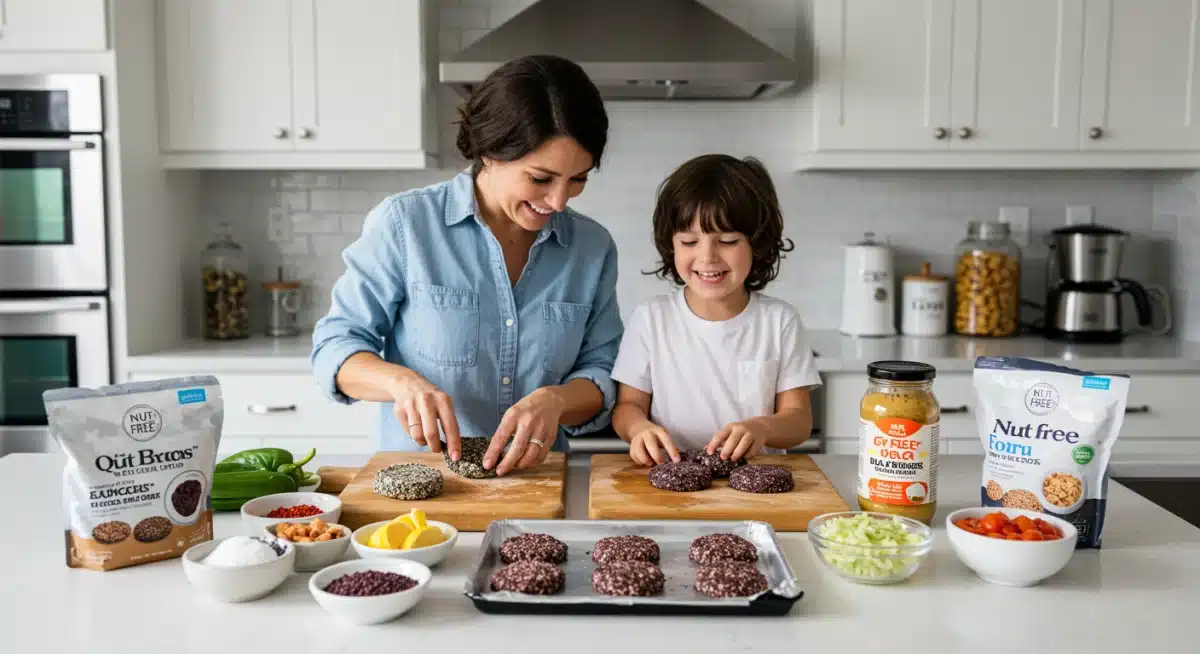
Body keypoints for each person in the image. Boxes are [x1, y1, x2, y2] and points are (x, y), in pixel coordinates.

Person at [311, 55, 623, 476]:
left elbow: (601, 371)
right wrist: (401, 383)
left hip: (540, 484)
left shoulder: (591, 247)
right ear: (490, 151)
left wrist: (557, 400)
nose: (559, 201)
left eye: (579, 179)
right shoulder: (407, 225)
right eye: (541, 178)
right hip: (425, 487)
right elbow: (336, 346)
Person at [610, 154, 821, 465]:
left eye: (727, 240)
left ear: (758, 243)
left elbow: (799, 419)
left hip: (756, 482)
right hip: (673, 478)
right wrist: (639, 428)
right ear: (671, 244)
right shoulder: (651, 319)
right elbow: (628, 407)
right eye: (689, 241)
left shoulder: (780, 321)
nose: (707, 257)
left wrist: (762, 428)